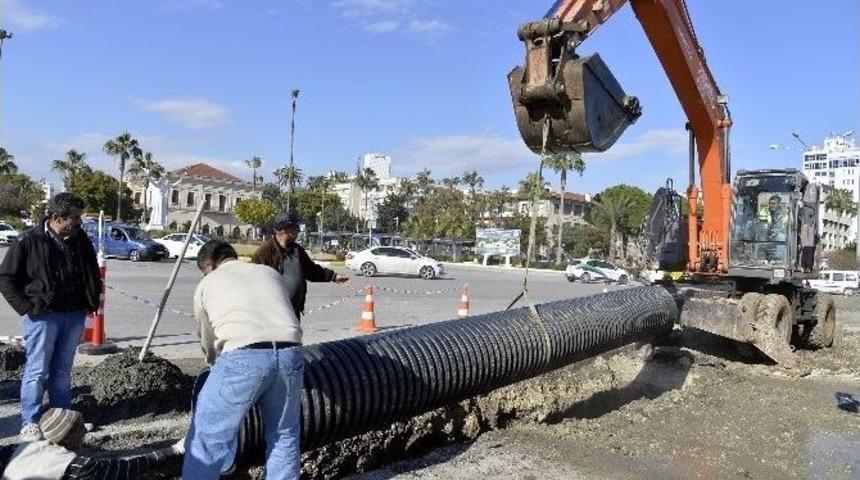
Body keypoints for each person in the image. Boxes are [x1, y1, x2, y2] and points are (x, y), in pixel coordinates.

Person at [183, 240, 305, 479]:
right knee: (284, 435)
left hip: (242, 355)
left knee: (207, 437)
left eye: (204, 271)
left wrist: (212, 362)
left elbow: (207, 337)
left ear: (209, 265)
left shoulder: (208, 283)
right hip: (290, 353)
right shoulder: (269, 273)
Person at [0, 193, 101, 441]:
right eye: (75, 217)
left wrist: (90, 301)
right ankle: (30, 423)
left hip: (73, 315)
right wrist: (27, 307)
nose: (79, 222)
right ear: (57, 217)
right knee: (37, 371)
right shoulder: (28, 240)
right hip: (42, 317)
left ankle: (63, 421)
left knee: (62, 371)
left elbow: (91, 271)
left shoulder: (80, 239)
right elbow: (6, 278)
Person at [0, 407, 182, 479]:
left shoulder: (17, 449)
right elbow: (124, 469)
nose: (86, 430)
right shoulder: (76, 466)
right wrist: (172, 450)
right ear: (65, 437)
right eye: (80, 427)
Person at [251, 212, 348, 319]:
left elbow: (311, 270)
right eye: (295, 229)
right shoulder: (265, 252)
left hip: (293, 311)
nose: (297, 232)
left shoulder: (297, 250)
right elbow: (251, 278)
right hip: (272, 313)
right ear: (284, 230)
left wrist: (333, 277)